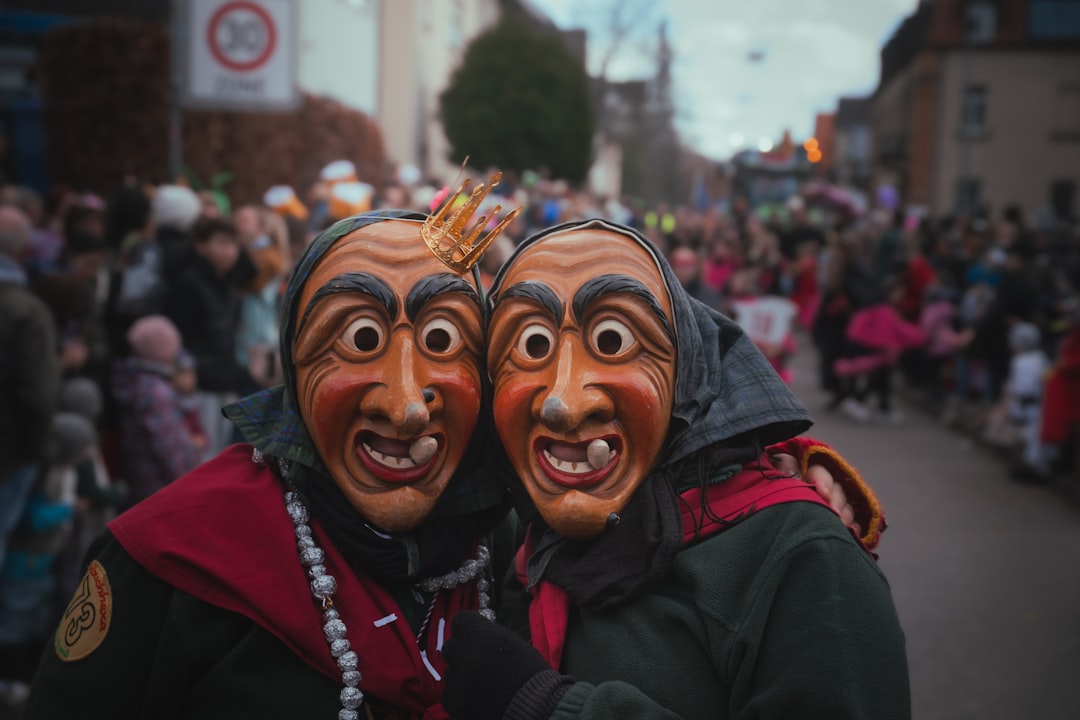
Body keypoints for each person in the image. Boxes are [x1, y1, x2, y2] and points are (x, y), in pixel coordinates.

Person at [26, 201, 874, 718]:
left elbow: (677, 382)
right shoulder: (173, 557)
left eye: (444, 342)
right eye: (357, 339)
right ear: (290, 363)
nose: (403, 401)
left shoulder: (509, 519)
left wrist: (779, 460)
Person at [441, 219, 907, 720]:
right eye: (532, 346)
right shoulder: (509, 529)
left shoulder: (803, 562)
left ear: (686, 366)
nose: (564, 404)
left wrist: (553, 709)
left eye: (613, 340)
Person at [0, 206, 60, 577]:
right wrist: (41, 452)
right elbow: (38, 395)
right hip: (10, 451)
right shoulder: (23, 310)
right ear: (24, 251)